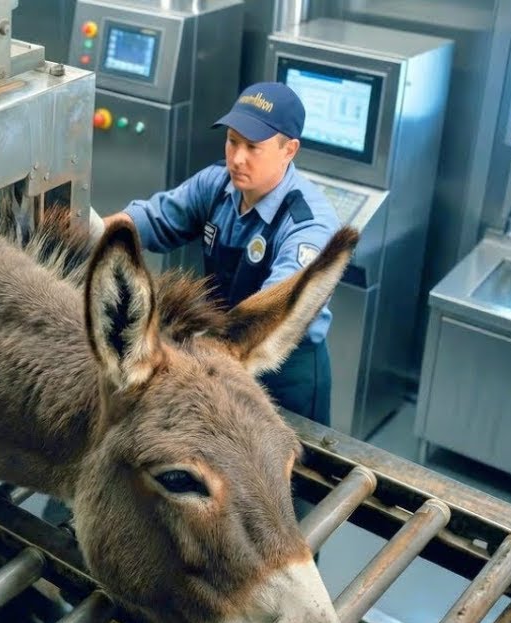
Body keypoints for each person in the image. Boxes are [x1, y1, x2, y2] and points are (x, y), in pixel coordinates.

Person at [108, 81, 342, 426]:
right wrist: (96, 232)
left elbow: (274, 311)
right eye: (232, 141)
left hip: (284, 372)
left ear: (289, 150)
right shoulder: (217, 185)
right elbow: (153, 218)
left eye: (252, 147)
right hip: (222, 355)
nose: (237, 158)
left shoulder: (308, 225)